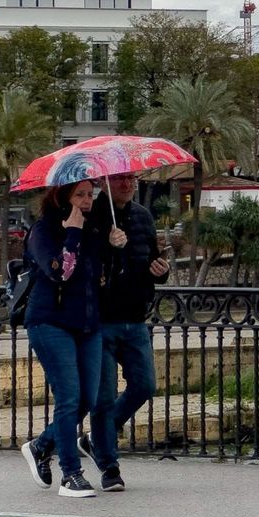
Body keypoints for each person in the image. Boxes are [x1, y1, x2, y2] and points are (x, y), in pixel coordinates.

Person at [19, 180, 119, 497]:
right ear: (62, 197)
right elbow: (59, 272)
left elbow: (101, 278)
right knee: (69, 398)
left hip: (86, 324)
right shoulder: (43, 230)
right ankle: (70, 475)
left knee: (88, 398)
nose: (87, 201)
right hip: (49, 322)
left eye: (91, 195)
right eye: (80, 195)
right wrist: (72, 233)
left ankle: (41, 446)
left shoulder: (93, 228)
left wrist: (115, 247)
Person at [82, 173, 170, 492]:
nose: (127, 185)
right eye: (120, 179)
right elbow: (83, 266)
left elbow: (149, 261)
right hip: (102, 320)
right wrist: (107, 246)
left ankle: (98, 437)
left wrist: (161, 270)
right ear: (106, 182)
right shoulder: (93, 216)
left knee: (145, 385)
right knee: (103, 398)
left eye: (131, 179)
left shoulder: (143, 216)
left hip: (135, 318)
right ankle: (109, 466)